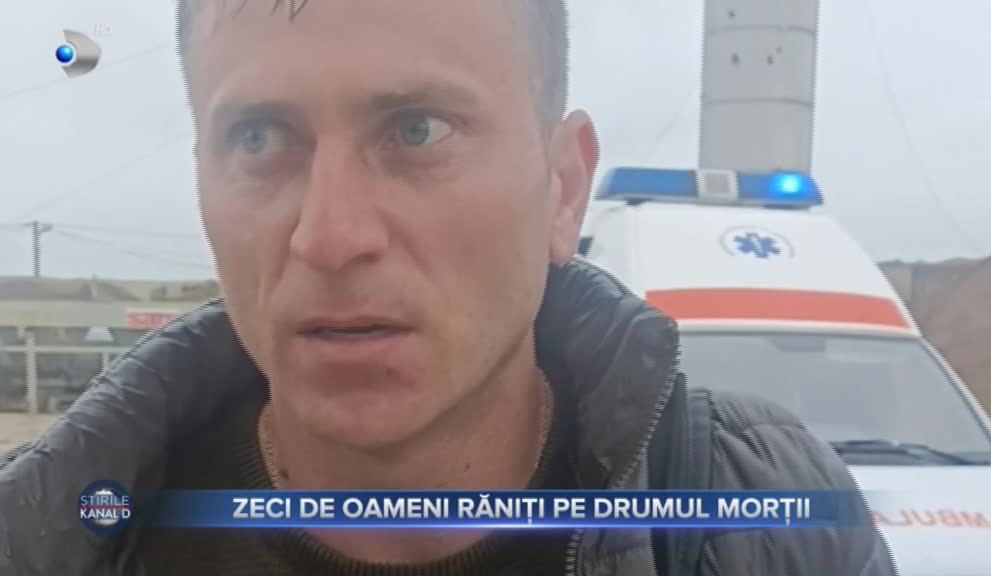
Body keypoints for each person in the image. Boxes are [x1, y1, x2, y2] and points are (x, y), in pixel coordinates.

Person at [0, 1, 898, 574]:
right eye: (261, 140)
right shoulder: (60, 536)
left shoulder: (760, 523)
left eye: (417, 130)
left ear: (562, 189)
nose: (329, 236)